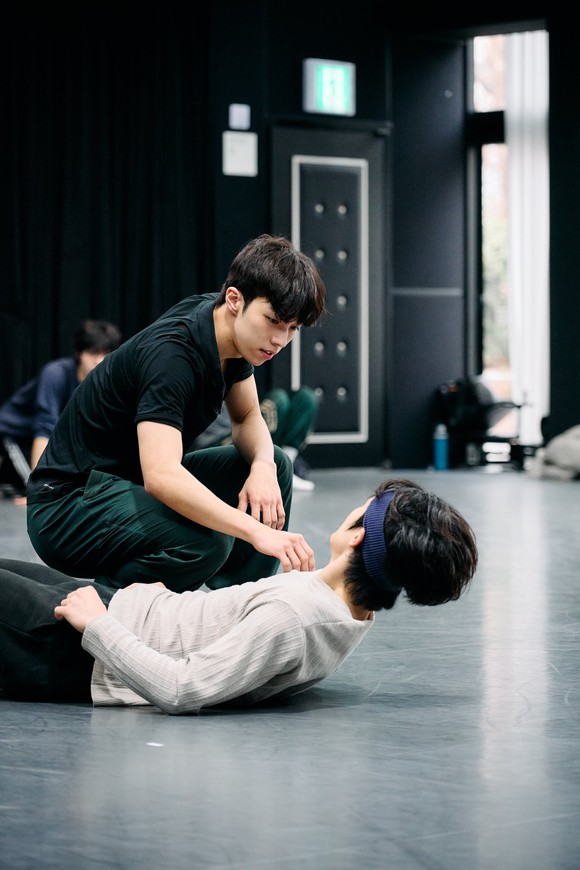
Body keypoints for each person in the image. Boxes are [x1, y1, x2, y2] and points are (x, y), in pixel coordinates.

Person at [0, 477, 478, 713]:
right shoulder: (345, 609)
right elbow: (225, 627)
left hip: (81, 647)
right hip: (120, 610)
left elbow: (183, 688)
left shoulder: (295, 618)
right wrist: (164, 601)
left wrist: (98, 625)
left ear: (358, 535)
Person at [26, 235, 327, 593]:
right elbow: (162, 477)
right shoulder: (173, 355)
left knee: (274, 463)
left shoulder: (229, 331)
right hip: (66, 507)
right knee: (206, 543)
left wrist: (262, 467)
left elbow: (247, 415)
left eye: (292, 329)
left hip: (128, 483)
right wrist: (255, 531)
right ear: (235, 300)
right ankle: (105, 604)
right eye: (274, 321)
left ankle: (242, 598)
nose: (280, 340)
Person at [0, 320, 122, 503]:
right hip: (15, 434)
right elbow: (44, 428)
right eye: (92, 353)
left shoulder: (106, 381)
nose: (99, 361)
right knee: (43, 490)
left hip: (48, 440)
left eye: (105, 354)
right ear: (79, 353)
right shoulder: (55, 374)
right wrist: (38, 492)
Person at [193, 386, 320, 491]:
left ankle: (285, 470)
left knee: (306, 398)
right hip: (215, 444)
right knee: (279, 400)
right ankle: (277, 472)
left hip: (241, 433)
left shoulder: (238, 371)